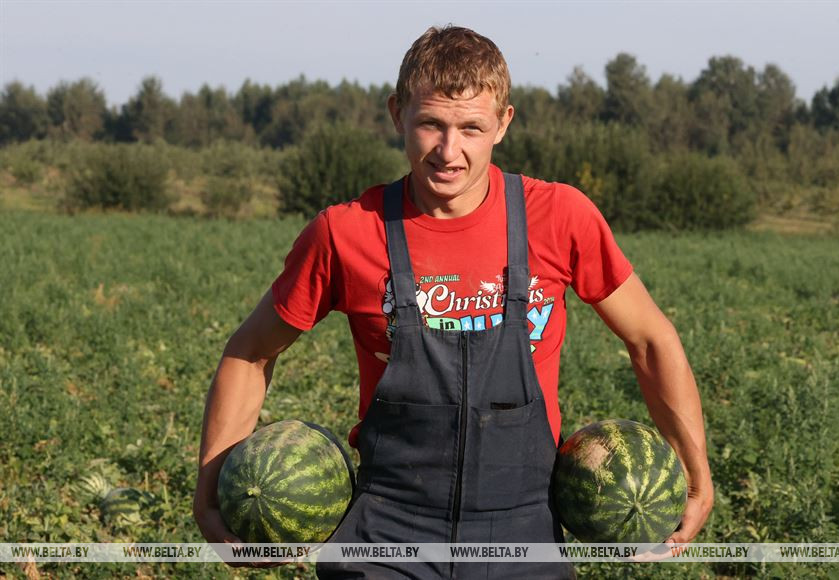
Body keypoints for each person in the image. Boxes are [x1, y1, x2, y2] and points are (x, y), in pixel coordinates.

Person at [194, 25, 713, 578]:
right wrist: (210, 493)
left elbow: (651, 340)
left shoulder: (560, 217)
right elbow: (250, 352)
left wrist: (696, 475)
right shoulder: (345, 233)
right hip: (387, 529)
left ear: (503, 123)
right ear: (397, 113)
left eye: (471, 128)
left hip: (524, 527)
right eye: (430, 124)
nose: (449, 151)